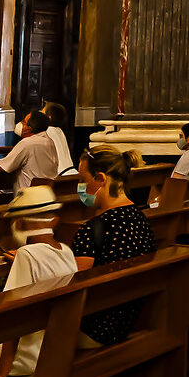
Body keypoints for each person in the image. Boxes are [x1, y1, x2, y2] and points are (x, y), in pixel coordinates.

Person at [0, 186, 75, 377]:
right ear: (54, 220)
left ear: (18, 223)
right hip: (50, 350)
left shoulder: (27, 254)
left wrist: (0, 374)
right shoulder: (66, 251)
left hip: (22, 359)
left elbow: (13, 314)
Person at [70, 146, 157, 347]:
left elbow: (72, 287)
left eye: (83, 180)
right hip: (127, 319)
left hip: (95, 329)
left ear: (100, 179)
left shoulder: (95, 229)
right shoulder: (139, 218)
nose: (80, 186)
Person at [0, 108, 72, 186]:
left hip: (30, 197)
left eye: (23, 122)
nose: (21, 124)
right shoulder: (50, 141)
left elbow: (4, 166)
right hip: (47, 194)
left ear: (28, 128)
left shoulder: (27, 143)